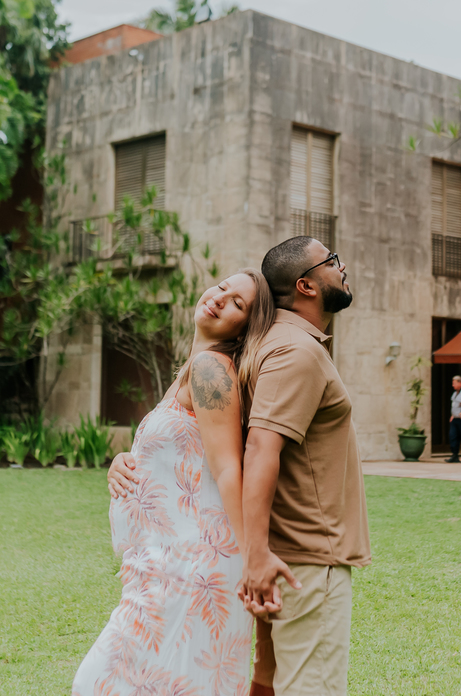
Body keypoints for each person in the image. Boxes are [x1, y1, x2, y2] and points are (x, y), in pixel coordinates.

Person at [74, 269, 277, 696]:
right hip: (164, 566)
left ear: (244, 328)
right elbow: (182, 453)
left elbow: (227, 470)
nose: (221, 298)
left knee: (98, 683)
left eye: (238, 303)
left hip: (192, 570)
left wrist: (252, 559)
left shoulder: (210, 370)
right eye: (223, 286)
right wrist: (124, 462)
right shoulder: (191, 371)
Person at [240, 236, 370, 696]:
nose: (343, 267)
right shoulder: (296, 351)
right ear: (306, 285)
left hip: (288, 556)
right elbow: (261, 448)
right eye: (332, 261)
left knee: (269, 684)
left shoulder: (275, 344)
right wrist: (256, 555)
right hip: (307, 561)